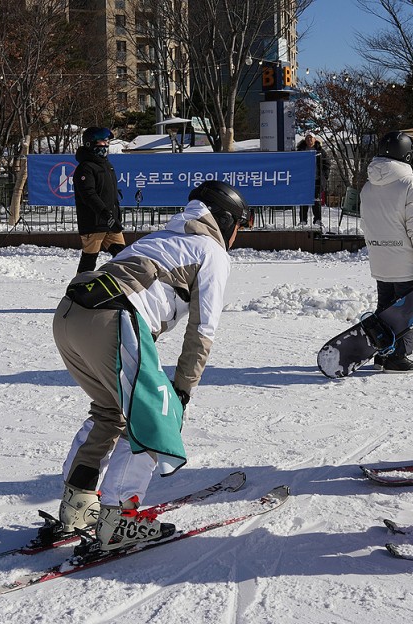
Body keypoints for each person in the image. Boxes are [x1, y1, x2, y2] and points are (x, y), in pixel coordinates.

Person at [52, 180, 249, 552]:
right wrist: (182, 390)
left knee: (110, 412)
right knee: (156, 418)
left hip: (70, 314)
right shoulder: (212, 251)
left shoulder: (163, 236)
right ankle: (119, 520)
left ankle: (77, 507)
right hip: (113, 320)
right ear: (226, 220)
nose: (238, 234)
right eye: (240, 224)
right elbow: (202, 330)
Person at [359, 131, 413, 372]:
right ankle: (398, 356)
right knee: (405, 310)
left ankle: (383, 351)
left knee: (385, 306)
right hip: (404, 259)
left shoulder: (368, 187)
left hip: (379, 257)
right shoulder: (411, 186)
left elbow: (366, 224)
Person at [73, 126, 126, 274]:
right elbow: (89, 194)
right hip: (93, 223)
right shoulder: (85, 168)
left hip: (110, 222)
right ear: (90, 143)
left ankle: (121, 288)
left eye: (107, 141)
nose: (106, 145)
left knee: (123, 257)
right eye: (102, 142)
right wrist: (104, 213)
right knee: (89, 260)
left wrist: (114, 215)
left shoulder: (106, 165)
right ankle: (77, 290)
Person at [296, 132, 331, 225]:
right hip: (304, 180)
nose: (309, 140)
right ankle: (303, 220)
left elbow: (327, 165)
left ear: (315, 139)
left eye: (311, 138)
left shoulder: (320, 151)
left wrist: (324, 177)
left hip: (316, 180)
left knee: (316, 201)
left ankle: (317, 220)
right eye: (307, 138)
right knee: (303, 201)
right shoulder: (300, 150)